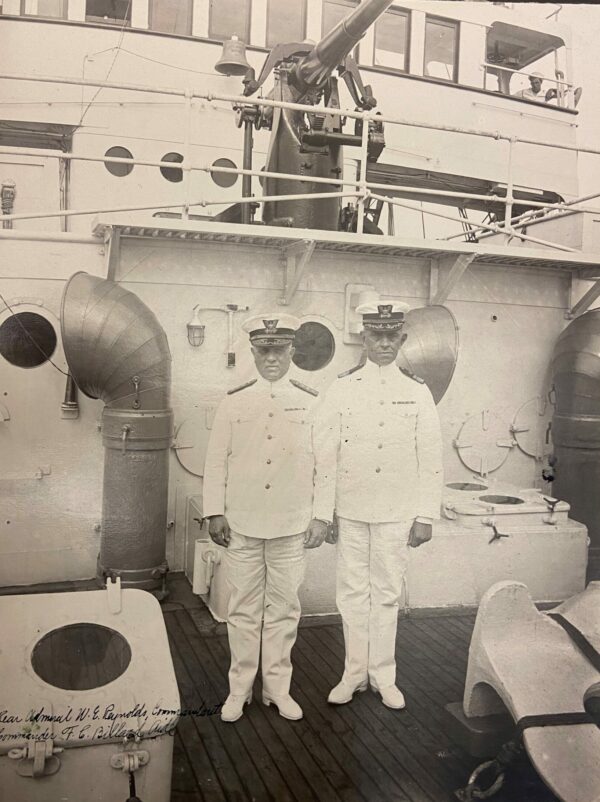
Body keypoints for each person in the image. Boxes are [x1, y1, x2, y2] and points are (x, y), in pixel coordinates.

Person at [309, 298, 443, 709]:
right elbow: (324, 454)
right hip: (351, 508)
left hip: (396, 511)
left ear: (401, 339)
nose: (384, 343)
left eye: (391, 336)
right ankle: (353, 675)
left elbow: (431, 455)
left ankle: (384, 676)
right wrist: (322, 511)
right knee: (351, 593)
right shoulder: (343, 387)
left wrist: (425, 515)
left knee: (385, 592)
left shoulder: (417, 392)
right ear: (364, 337)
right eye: (376, 335)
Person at [203, 313, 327, 724]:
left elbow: (325, 465)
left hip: (292, 525)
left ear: (291, 350)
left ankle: (277, 690)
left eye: (279, 349)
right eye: (264, 350)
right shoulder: (234, 401)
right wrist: (215, 512)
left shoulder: (312, 402)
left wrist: (322, 516)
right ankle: (239, 691)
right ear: (253, 352)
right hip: (242, 523)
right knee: (241, 610)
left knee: (284, 610)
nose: (271, 357)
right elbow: (216, 460)